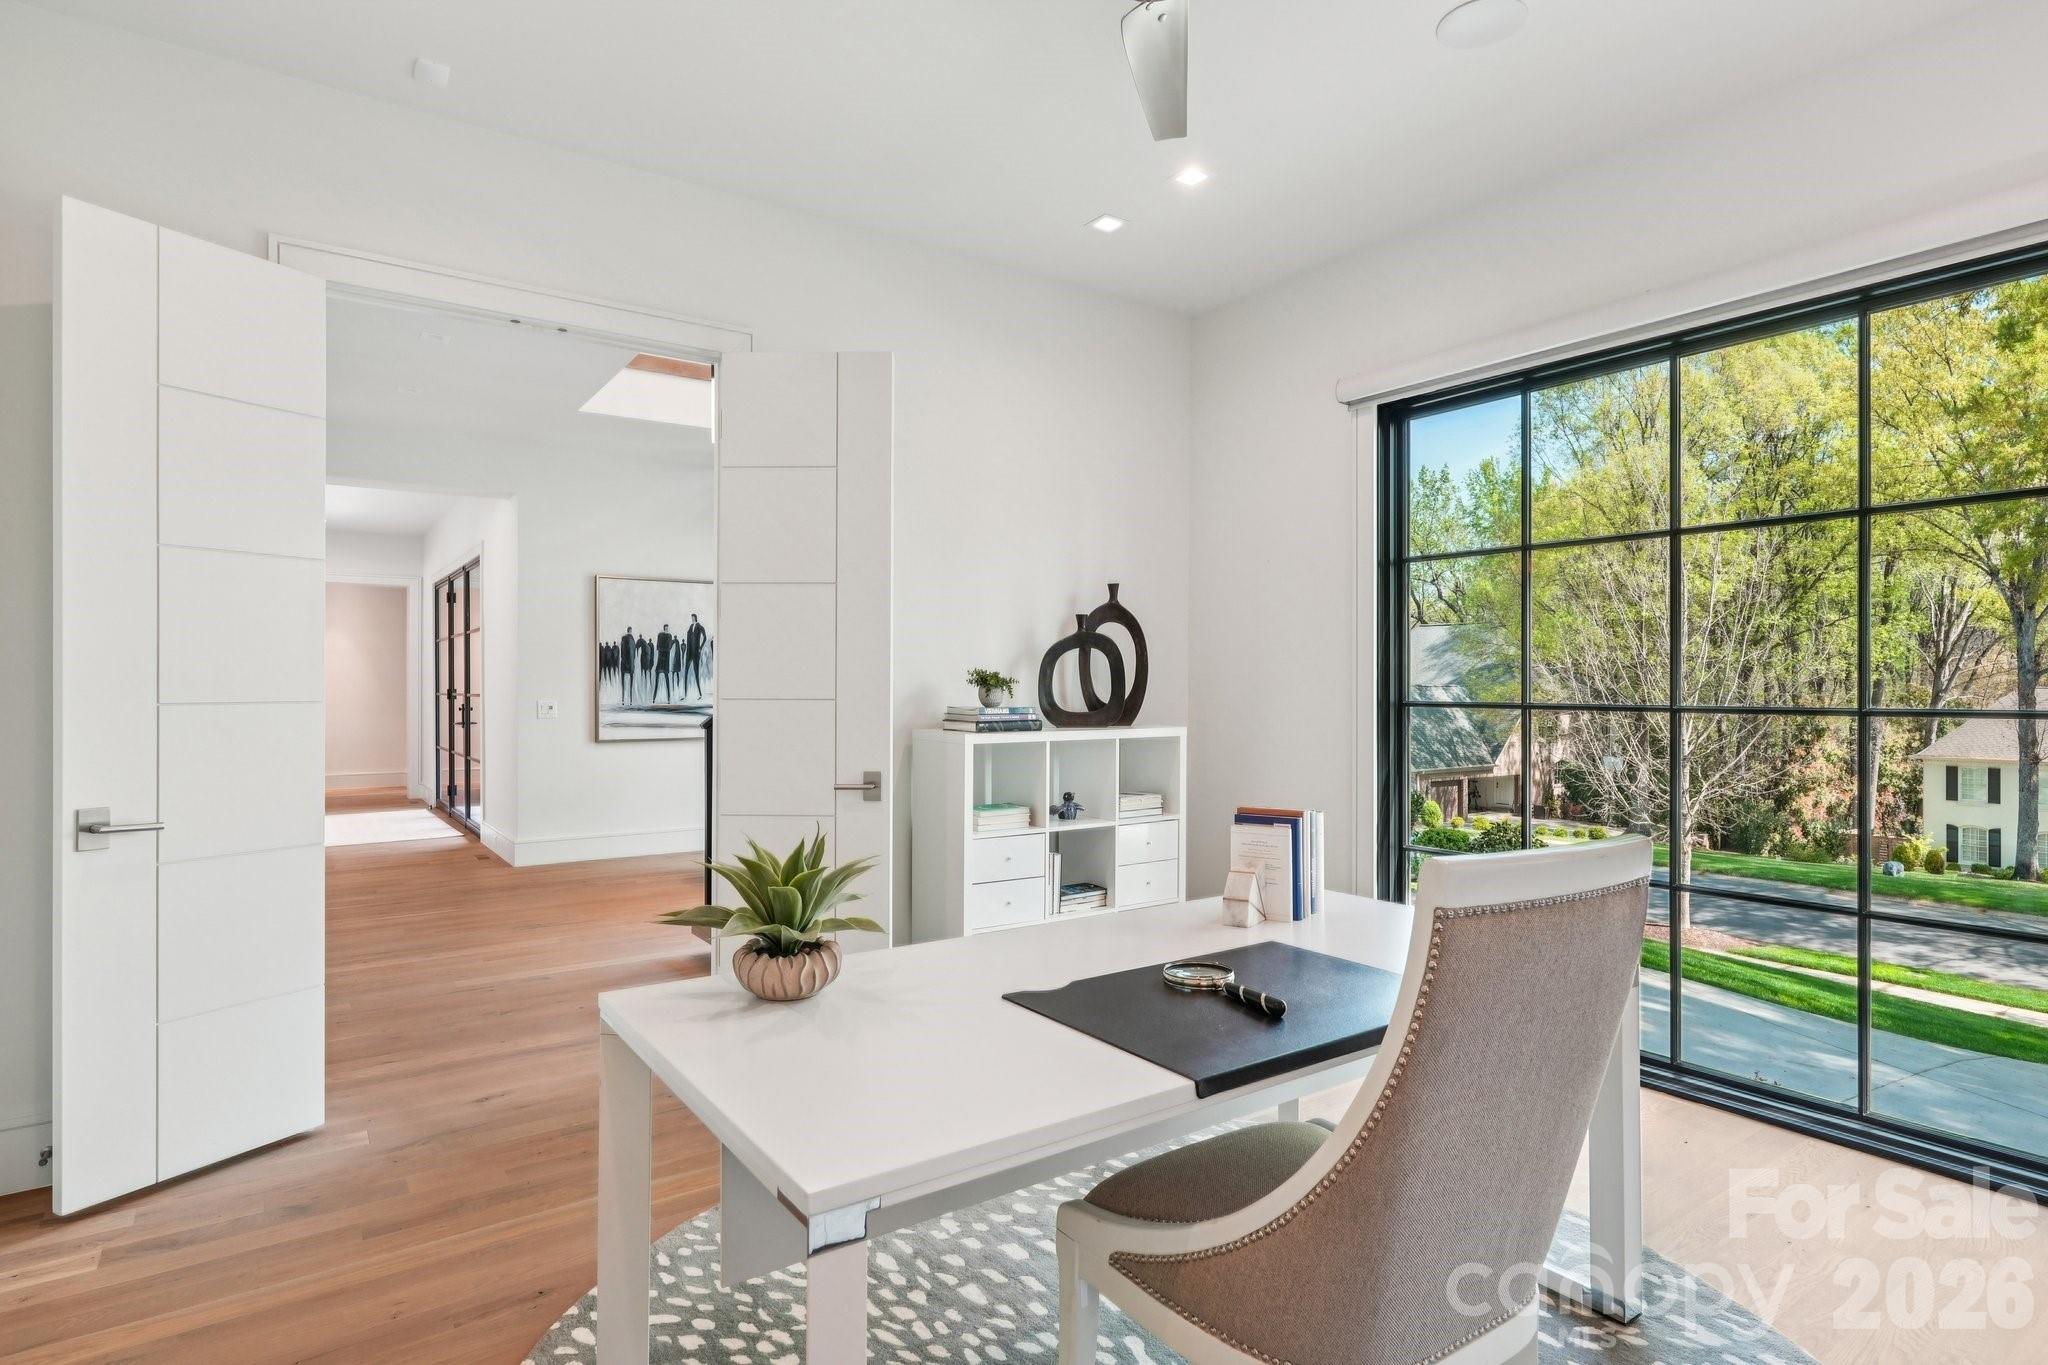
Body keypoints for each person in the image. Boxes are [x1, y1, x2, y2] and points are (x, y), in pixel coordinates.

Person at [682, 614, 710, 701]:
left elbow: (705, 637)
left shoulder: (699, 626)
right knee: (686, 672)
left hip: (695, 653)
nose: (692, 619)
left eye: (693, 618)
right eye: (691, 618)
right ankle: (685, 694)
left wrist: (700, 648)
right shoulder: (691, 626)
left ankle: (700, 694)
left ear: (695, 618)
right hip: (689, 652)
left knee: (696, 673)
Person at [654, 623, 677, 703]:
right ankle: (666, 698)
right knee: (663, 680)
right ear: (665, 628)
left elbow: (659, 647)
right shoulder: (667, 636)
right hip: (663, 660)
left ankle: (667, 699)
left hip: (662, 660)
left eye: (667, 628)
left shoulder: (661, 635)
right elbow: (669, 647)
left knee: (664, 680)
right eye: (666, 628)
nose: (667, 629)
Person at [618, 627, 639, 704]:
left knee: (623, 682)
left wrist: (623, 660)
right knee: (631, 682)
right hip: (630, 664)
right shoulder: (632, 640)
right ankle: (630, 700)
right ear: (631, 631)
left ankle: (623, 700)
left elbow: (622, 651)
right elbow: (633, 653)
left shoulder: (623, 638)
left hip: (624, 663)